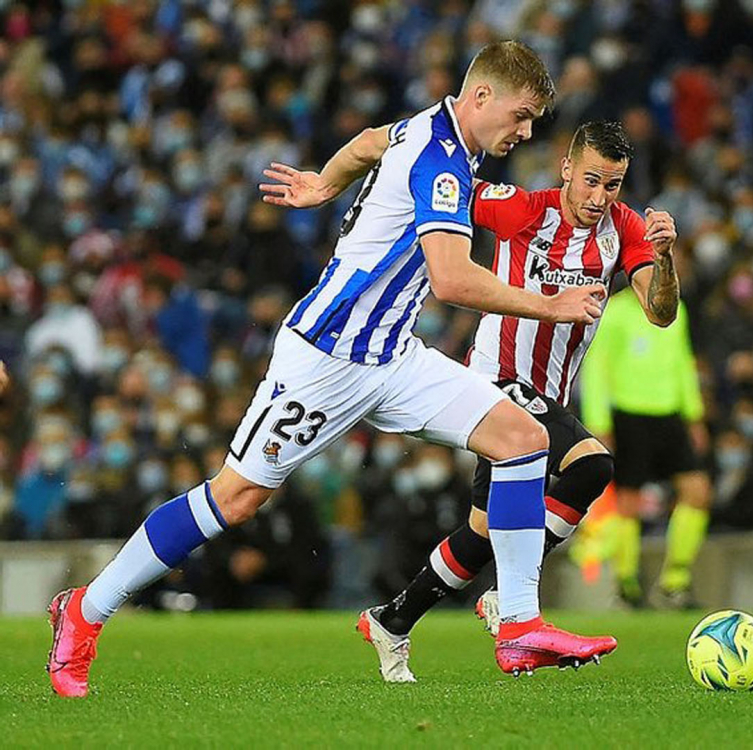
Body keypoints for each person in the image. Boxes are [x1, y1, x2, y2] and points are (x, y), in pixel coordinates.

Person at [46, 41, 615, 698]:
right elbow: (453, 280)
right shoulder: (443, 164)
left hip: (393, 355)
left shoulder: (428, 125)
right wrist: (551, 304)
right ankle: (84, 611)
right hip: (325, 358)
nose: (527, 131)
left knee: (524, 439)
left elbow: (372, 140)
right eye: (521, 115)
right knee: (237, 497)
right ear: (481, 97)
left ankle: (518, 625)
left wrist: (325, 181)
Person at [319, 119, 680, 681]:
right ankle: (514, 600)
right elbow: (444, 186)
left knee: (483, 532)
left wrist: (663, 259)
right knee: (593, 466)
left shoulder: (626, 228)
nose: (598, 197)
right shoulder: (522, 208)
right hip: (497, 378)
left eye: (612, 185)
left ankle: (392, 620)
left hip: (548, 394)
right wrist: (348, 182)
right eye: (589, 181)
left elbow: (660, 313)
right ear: (566, 168)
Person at [580, 281, 711, 610]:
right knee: (628, 500)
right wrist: (599, 422)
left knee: (697, 492)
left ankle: (674, 580)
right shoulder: (616, 312)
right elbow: (596, 367)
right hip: (629, 413)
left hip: (670, 413)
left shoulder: (675, 309)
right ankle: (626, 583)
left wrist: (693, 414)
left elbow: (683, 362)